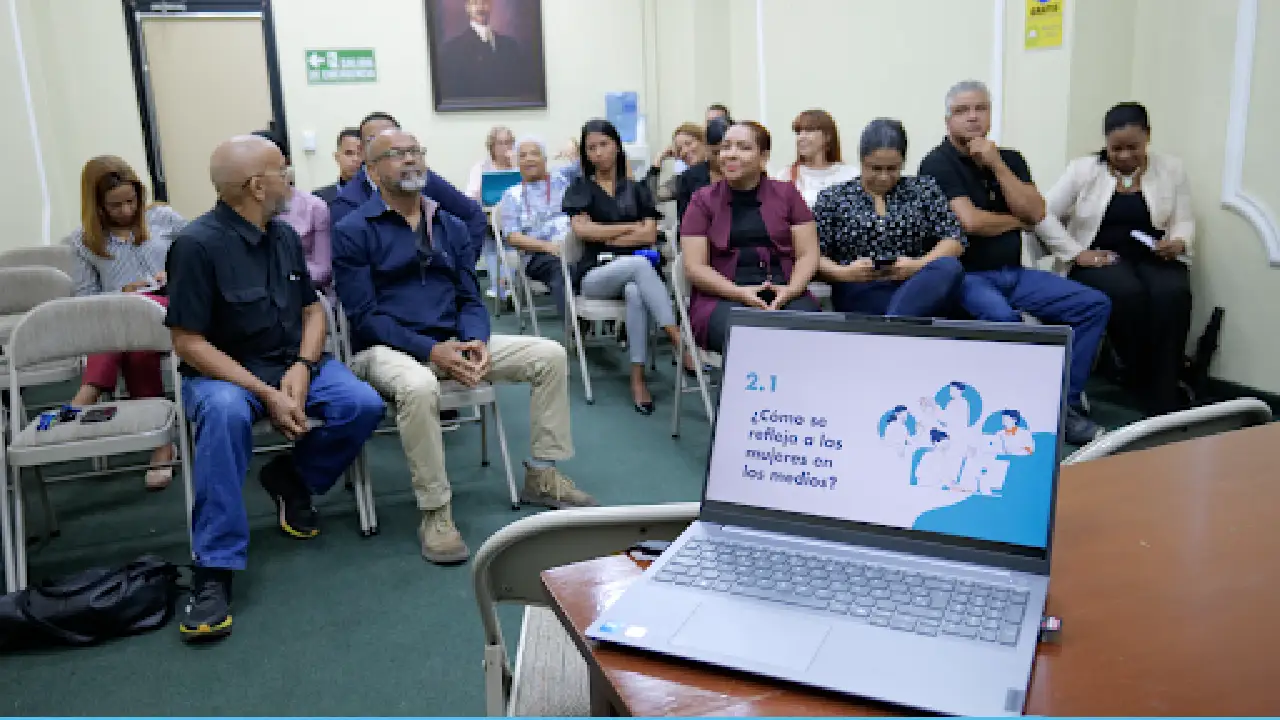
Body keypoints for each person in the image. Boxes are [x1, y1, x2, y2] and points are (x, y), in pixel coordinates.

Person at [333, 128, 596, 565]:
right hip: (385, 350)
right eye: (397, 154)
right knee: (419, 387)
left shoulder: (449, 225)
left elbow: (470, 297)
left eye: (416, 152)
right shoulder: (353, 230)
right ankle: (436, 512)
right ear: (373, 171)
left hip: (453, 341)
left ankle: (542, 474)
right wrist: (431, 350)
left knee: (548, 355)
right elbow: (364, 316)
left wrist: (475, 339)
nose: (410, 160)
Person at [165, 134, 385, 642]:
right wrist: (267, 394)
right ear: (256, 186)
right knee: (224, 416)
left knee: (362, 404)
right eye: (282, 170)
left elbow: (313, 310)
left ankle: (292, 477)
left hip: (291, 361)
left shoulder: (282, 234)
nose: (291, 178)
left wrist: (303, 367)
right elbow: (188, 342)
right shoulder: (196, 245)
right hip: (226, 374)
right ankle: (214, 569)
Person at [918, 80, 1110, 446]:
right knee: (1007, 322)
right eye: (962, 111)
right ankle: (1024, 408)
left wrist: (996, 165)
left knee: (1093, 305)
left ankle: (1063, 405)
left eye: (980, 108)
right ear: (947, 121)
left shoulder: (1010, 158)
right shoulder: (937, 163)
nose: (972, 117)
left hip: (1015, 273)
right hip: (967, 276)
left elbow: (1036, 211)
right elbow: (971, 222)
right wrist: (1017, 220)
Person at [1039, 102, 1194, 415]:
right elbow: (1042, 214)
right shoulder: (1083, 170)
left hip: (1153, 255)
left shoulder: (1171, 169)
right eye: (1116, 149)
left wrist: (1178, 242)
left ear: (1148, 137)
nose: (1124, 156)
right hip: (1101, 257)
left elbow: (1184, 219)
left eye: (1132, 147)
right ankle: (1141, 376)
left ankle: (1164, 388)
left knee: (1173, 294)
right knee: (1128, 294)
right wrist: (1076, 253)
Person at [65, 155, 185, 490]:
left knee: (136, 318)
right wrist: (123, 291)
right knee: (133, 339)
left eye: (131, 201)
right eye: (115, 205)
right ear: (97, 206)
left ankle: (88, 392)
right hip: (120, 320)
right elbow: (86, 299)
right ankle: (162, 444)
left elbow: (204, 254)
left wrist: (173, 273)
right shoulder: (82, 241)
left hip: (170, 308)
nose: (126, 210)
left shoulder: (163, 218)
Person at [563, 118, 688, 414]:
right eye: (591, 148)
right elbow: (582, 231)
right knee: (639, 264)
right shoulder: (580, 188)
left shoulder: (636, 189)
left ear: (617, 147)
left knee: (635, 291)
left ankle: (637, 378)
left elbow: (649, 234)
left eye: (603, 145)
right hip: (595, 276)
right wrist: (630, 228)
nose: (598, 153)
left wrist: (605, 233)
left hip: (633, 273)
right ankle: (677, 339)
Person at [680, 122, 822, 353]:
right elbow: (694, 267)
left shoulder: (787, 194)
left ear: (763, 157)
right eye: (726, 147)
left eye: (743, 147)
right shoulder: (702, 200)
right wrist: (739, 293)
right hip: (722, 295)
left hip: (784, 290)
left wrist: (792, 290)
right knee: (749, 337)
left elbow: (808, 253)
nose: (731, 154)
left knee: (812, 331)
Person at [813, 118, 965, 318]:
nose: (884, 177)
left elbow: (954, 240)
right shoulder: (833, 197)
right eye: (875, 168)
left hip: (917, 285)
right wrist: (844, 273)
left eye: (892, 169)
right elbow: (812, 254)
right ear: (862, 161)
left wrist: (917, 265)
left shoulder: (924, 190)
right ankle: (897, 322)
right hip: (860, 288)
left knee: (949, 267)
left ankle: (892, 323)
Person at [330, 112, 487, 261]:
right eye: (375, 139)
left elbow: (473, 215)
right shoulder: (346, 203)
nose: (408, 159)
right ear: (363, 152)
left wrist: (463, 263)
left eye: (393, 135)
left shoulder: (420, 177)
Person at [498, 135, 573, 318]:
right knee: (561, 270)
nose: (529, 159)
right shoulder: (512, 195)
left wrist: (574, 148)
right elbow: (512, 236)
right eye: (523, 156)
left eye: (534, 154)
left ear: (545, 159)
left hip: (575, 246)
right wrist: (548, 247)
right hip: (540, 255)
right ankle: (574, 326)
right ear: (517, 163)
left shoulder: (563, 180)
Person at [254, 129, 332, 294]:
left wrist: (282, 276)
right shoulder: (244, 210)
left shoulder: (314, 207)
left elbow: (323, 270)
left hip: (305, 290)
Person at [436, 0, 536, 102]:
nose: (480, 7)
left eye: (484, 2)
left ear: (491, 6)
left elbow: (522, 89)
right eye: (475, 2)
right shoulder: (453, 49)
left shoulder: (511, 46)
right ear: (467, 8)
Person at [644, 119, 729, 235]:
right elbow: (650, 197)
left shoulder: (732, 169)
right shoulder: (686, 178)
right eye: (679, 150)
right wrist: (658, 161)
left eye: (688, 144)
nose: (684, 152)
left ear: (704, 142)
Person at [466, 125, 517, 302]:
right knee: (488, 230)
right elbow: (470, 196)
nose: (505, 147)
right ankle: (499, 284)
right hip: (489, 215)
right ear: (492, 147)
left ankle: (508, 283)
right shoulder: (481, 167)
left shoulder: (519, 165)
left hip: (516, 217)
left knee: (513, 230)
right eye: (500, 143)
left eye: (509, 142)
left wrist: (516, 166)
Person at [778, 109, 858, 208]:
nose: (801, 137)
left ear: (827, 137)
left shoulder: (850, 175)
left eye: (809, 131)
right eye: (798, 132)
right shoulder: (785, 177)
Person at [313, 127, 363, 206]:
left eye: (360, 154)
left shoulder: (378, 196)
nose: (355, 159)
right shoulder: (319, 198)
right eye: (349, 153)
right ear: (337, 157)